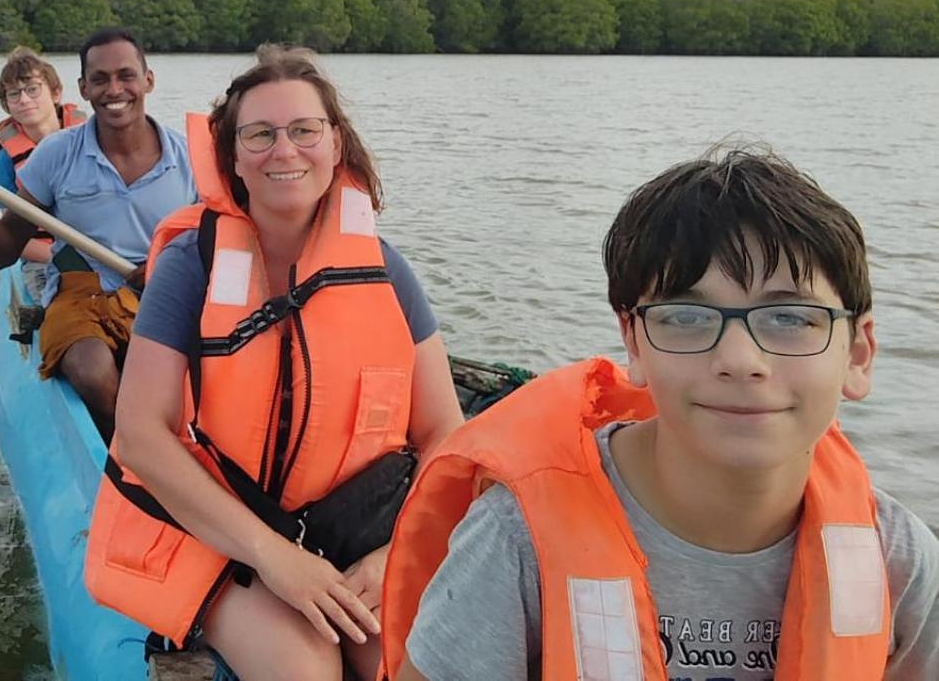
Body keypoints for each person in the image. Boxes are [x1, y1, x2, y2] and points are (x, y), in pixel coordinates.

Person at [380, 148, 939, 681]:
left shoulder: (896, 558)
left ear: (858, 354)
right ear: (635, 343)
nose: (741, 361)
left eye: (790, 318)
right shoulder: (515, 541)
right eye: (687, 316)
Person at [83, 44, 466, 681]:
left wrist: (397, 551)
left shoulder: (386, 270)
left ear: (335, 143)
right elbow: (141, 436)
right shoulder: (192, 266)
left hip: (356, 536)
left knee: (402, 659)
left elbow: (445, 434)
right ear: (232, 156)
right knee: (305, 663)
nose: (283, 151)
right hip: (223, 532)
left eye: (303, 130)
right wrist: (273, 558)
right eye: (259, 134)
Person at [0, 28, 195, 441]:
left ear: (148, 80)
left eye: (126, 75)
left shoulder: (188, 159)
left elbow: (215, 246)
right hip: (79, 295)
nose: (114, 89)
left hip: (157, 293)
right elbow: (2, 253)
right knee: (94, 373)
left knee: (192, 374)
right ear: (83, 88)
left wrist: (166, 269)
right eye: (100, 79)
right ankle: (133, 455)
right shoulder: (56, 153)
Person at [0, 46, 86, 285]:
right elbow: (12, 235)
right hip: (43, 261)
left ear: (55, 94)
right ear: (7, 105)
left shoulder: (90, 139)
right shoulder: (5, 160)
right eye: (14, 94)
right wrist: (60, 258)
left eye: (32, 90)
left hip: (98, 253)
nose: (24, 100)